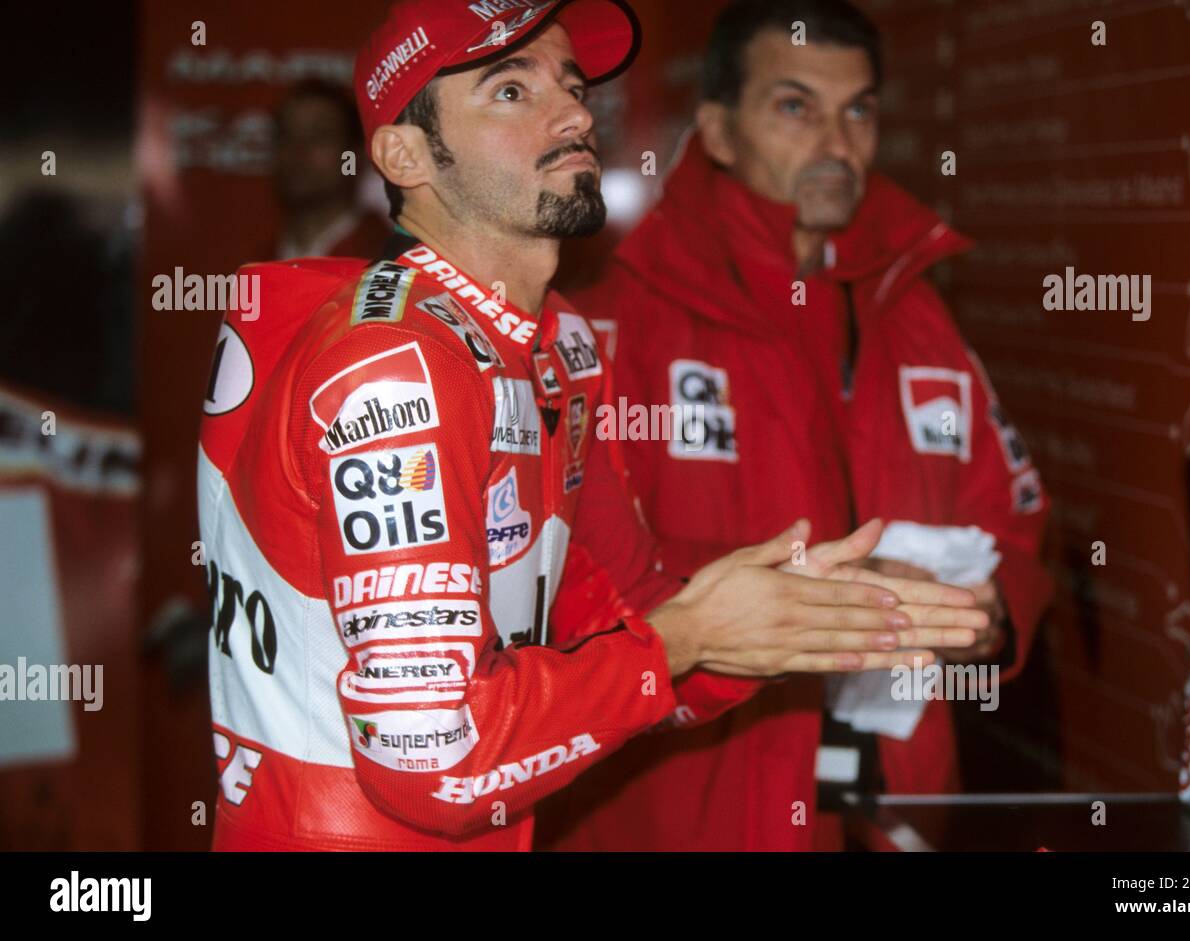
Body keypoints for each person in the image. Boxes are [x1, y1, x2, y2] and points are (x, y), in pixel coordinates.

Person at [196, 0, 986, 852]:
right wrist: (684, 638)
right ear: (405, 153)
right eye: (510, 89)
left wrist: (772, 621)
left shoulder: (553, 345)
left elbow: (621, 623)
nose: (575, 112)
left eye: (572, 86)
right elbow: (429, 759)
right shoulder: (395, 365)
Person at [537, 0, 1053, 852]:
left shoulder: (916, 311)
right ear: (718, 130)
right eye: (795, 106)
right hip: (693, 811)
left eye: (859, 110)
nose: (836, 141)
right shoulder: (610, 326)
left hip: (899, 804)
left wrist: (990, 618)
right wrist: (805, 604)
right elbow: (572, 586)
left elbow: (1016, 524)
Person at [263, 79, 392, 260]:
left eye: (320, 135)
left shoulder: (387, 258)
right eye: (286, 135)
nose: (298, 150)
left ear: (354, 157)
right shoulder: (257, 261)